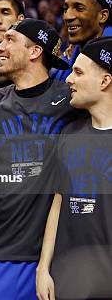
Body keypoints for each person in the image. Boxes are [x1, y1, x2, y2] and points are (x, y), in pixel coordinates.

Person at [0, 19, 78, 300]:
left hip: (56, 258)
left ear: (34, 52)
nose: (0, 45)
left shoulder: (71, 100)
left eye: (10, 40)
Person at [36, 37, 112, 300]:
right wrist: (43, 268)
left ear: (105, 81)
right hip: (68, 280)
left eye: (78, 72)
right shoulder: (69, 134)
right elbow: (58, 201)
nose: (68, 79)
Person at [52, 0, 111, 81]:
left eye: (79, 8)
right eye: (66, 9)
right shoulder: (71, 55)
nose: (67, 17)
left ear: (102, 16)